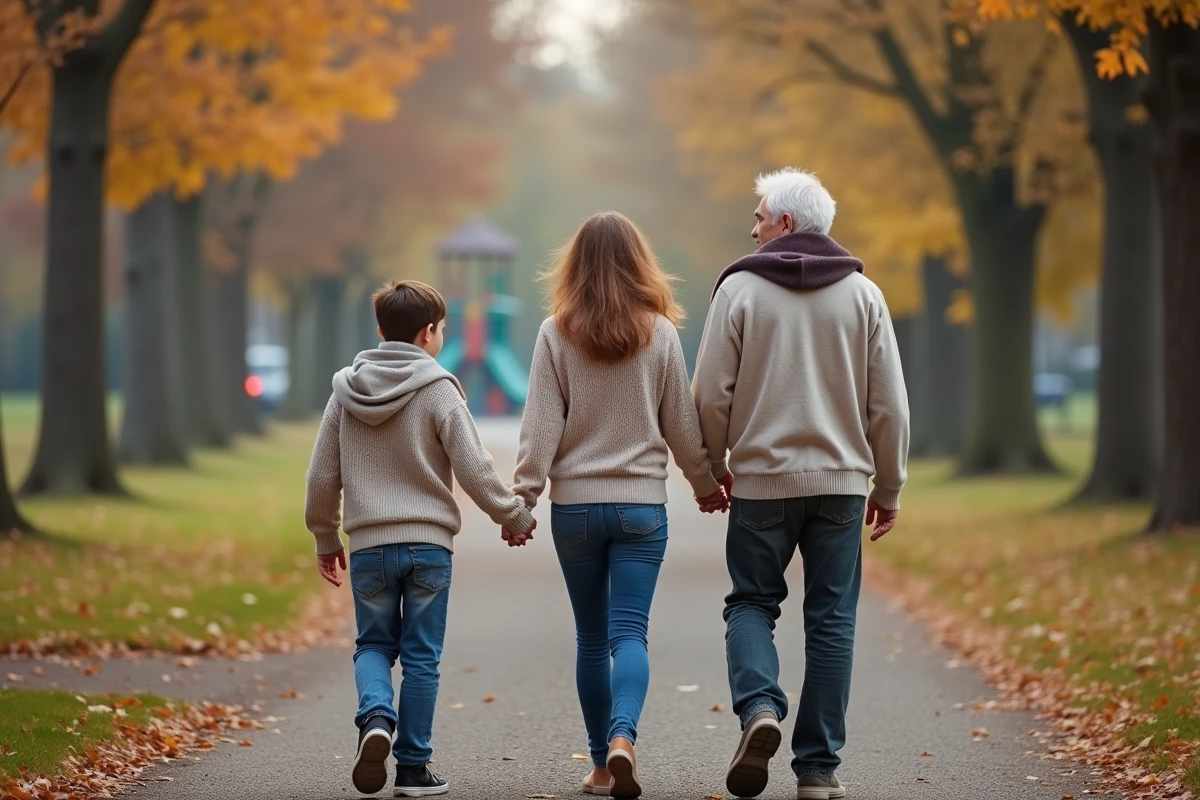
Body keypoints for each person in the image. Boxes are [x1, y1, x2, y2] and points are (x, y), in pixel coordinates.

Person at [692, 169, 910, 800]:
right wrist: (888, 486)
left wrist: (709, 471)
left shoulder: (739, 290)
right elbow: (889, 405)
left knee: (752, 603)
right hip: (841, 486)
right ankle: (818, 771)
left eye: (759, 216)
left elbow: (709, 394)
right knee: (832, 621)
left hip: (761, 482)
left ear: (785, 223)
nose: (752, 227)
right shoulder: (864, 295)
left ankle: (760, 708)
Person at [512, 212, 729, 799]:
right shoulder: (658, 333)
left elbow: (539, 429)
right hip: (641, 511)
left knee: (589, 639)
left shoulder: (555, 333)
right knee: (629, 633)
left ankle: (603, 770)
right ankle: (623, 738)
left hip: (576, 512)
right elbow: (681, 424)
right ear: (640, 262)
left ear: (575, 265)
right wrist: (706, 483)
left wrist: (523, 501)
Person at [304, 280, 537, 798]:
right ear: (430, 333)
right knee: (421, 657)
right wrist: (512, 515)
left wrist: (325, 535)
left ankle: (376, 720)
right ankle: (412, 769)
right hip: (429, 545)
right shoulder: (439, 389)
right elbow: (474, 466)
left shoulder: (346, 390)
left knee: (372, 644)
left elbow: (322, 476)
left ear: (382, 329)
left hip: (368, 545)